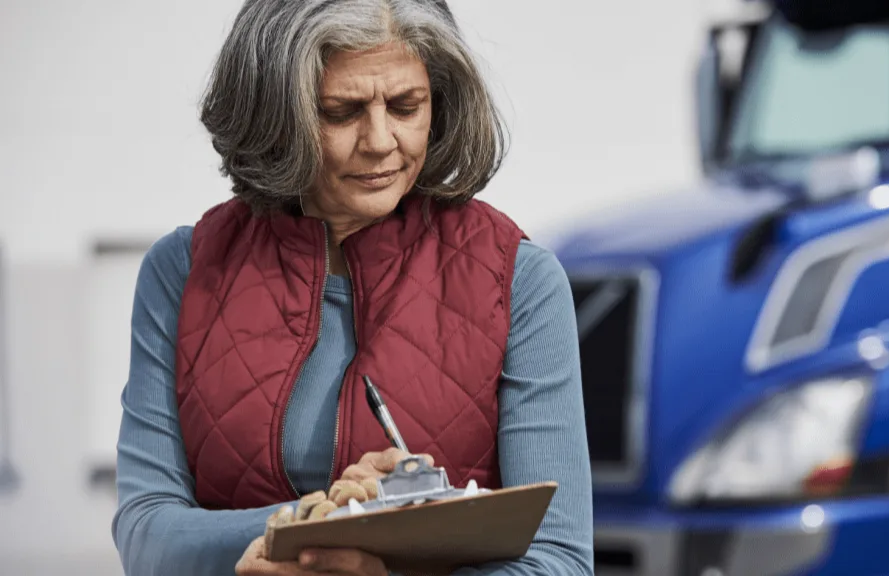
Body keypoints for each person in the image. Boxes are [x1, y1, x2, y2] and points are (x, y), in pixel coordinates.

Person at [110, 0, 594, 575]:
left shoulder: (519, 280)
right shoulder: (183, 271)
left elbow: (559, 560)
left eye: (406, 107)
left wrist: (363, 552)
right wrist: (320, 524)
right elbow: (146, 535)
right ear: (273, 116)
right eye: (341, 112)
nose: (381, 140)